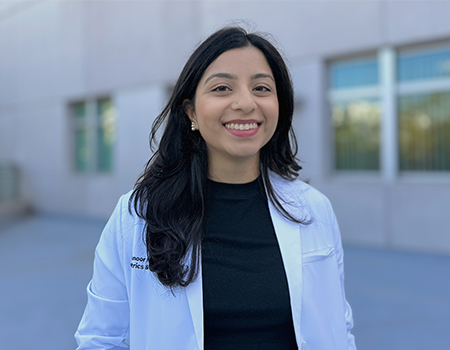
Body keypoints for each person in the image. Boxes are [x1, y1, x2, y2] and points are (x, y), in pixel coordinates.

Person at [75, 26, 356, 350]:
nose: (246, 103)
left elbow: (339, 325)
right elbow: (100, 339)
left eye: (262, 88)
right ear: (191, 111)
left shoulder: (314, 209)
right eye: (222, 88)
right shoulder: (137, 216)